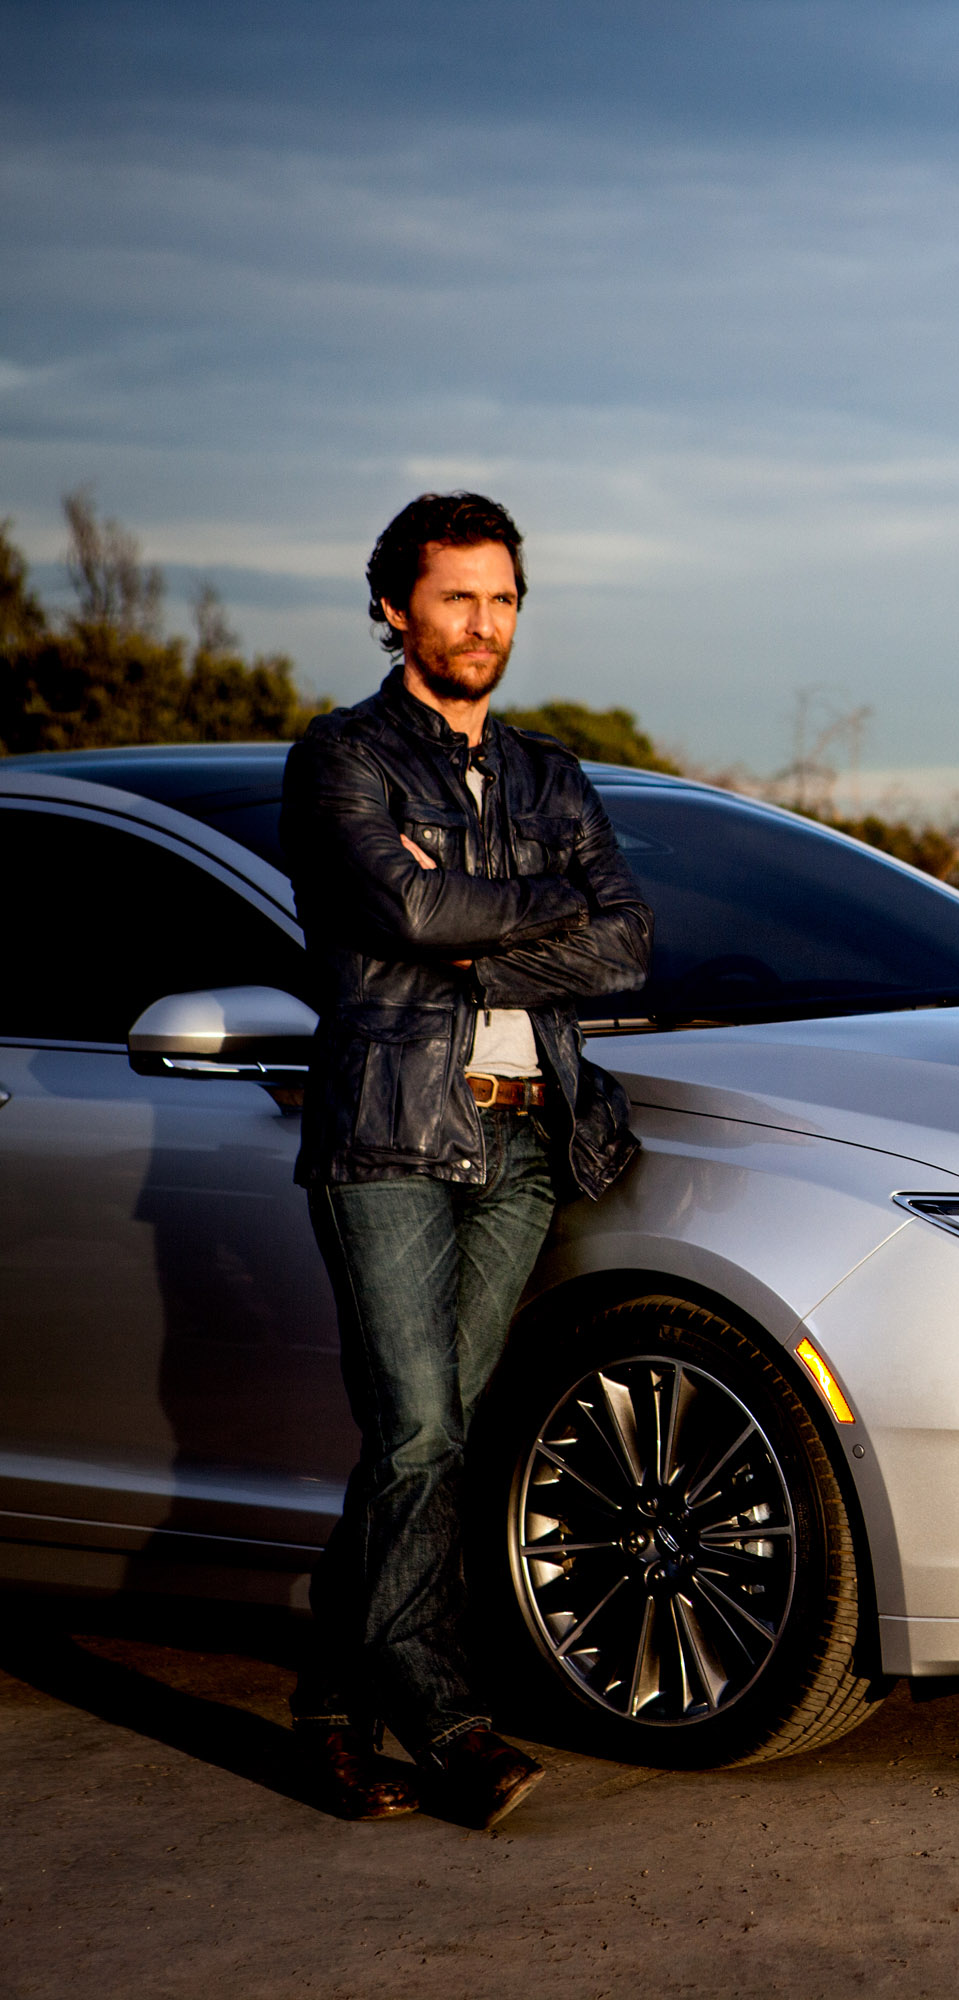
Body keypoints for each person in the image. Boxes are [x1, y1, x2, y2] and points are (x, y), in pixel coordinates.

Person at [279, 492, 653, 1828]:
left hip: (525, 1132)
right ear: (395, 607)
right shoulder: (341, 759)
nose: (485, 623)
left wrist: (466, 923)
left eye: (503, 599)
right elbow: (404, 903)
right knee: (424, 1429)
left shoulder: (551, 774)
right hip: (387, 1129)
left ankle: (328, 1711)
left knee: (423, 1444)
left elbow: (626, 941)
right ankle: (450, 1723)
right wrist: (513, 910)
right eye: (458, 598)